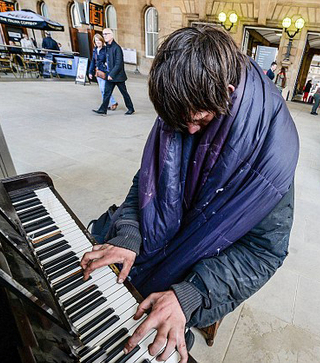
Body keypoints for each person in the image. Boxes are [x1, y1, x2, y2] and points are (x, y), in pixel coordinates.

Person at [80, 26, 299, 362]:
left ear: (226, 92)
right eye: (179, 123)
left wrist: (190, 294)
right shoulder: (182, 106)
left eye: (198, 120)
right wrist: (128, 232)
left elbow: (264, 253)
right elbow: (148, 180)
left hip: (193, 274)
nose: (190, 130)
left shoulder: (272, 152)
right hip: (152, 252)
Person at [92, 28, 134, 115]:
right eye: (103, 34)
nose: (104, 36)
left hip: (118, 76)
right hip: (109, 75)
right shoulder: (107, 47)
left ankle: (131, 108)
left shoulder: (117, 48)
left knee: (124, 93)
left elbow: (119, 64)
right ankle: (102, 109)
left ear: (111, 35)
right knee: (107, 93)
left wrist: (111, 74)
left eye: (106, 34)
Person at [88, 34, 118, 110]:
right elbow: (93, 61)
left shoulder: (105, 49)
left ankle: (111, 103)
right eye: (96, 40)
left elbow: (109, 60)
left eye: (99, 40)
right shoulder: (95, 50)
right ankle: (108, 103)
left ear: (102, 41)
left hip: (104, 72)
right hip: (98, 72)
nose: (98, 42)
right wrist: (90, 72)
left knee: (104, 89)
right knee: (102, 89)